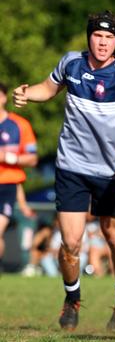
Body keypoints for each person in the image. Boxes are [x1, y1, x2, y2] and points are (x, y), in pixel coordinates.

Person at [12, 10, 115, 331]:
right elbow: (47, 89)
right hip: (71, 167)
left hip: (112, 171)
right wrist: (27, 93)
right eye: (97, 36)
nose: (102, 43)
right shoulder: (71, 64)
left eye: (109, 37)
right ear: (88, 37)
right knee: (71, 243)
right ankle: (72, 298)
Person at [0, 81, 38, 272]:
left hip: (6, 186)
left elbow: (32, 159)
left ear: (4, 97)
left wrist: (6, 157)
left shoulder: (19, 125)